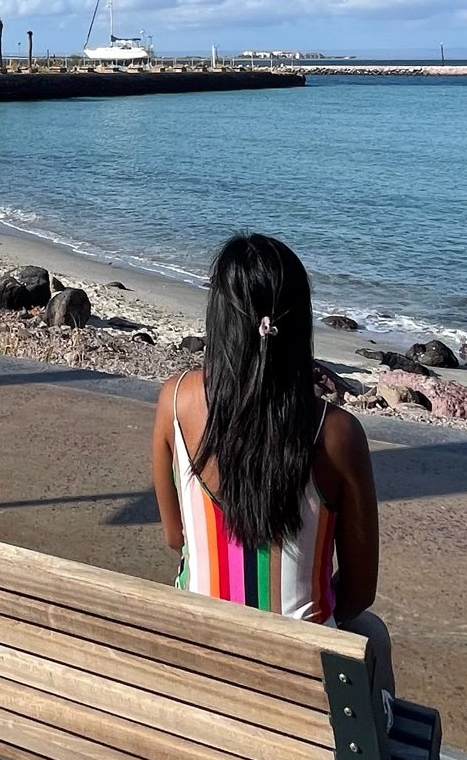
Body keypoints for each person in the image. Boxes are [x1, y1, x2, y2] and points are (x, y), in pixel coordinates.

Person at [150, 232, 393, 688]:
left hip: (198, 667)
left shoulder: (175, 401)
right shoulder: (336, 434)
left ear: (219, 319)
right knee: (371, 634)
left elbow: (174, 537)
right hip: (298, 688)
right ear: (299, 323)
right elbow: (359, 591)